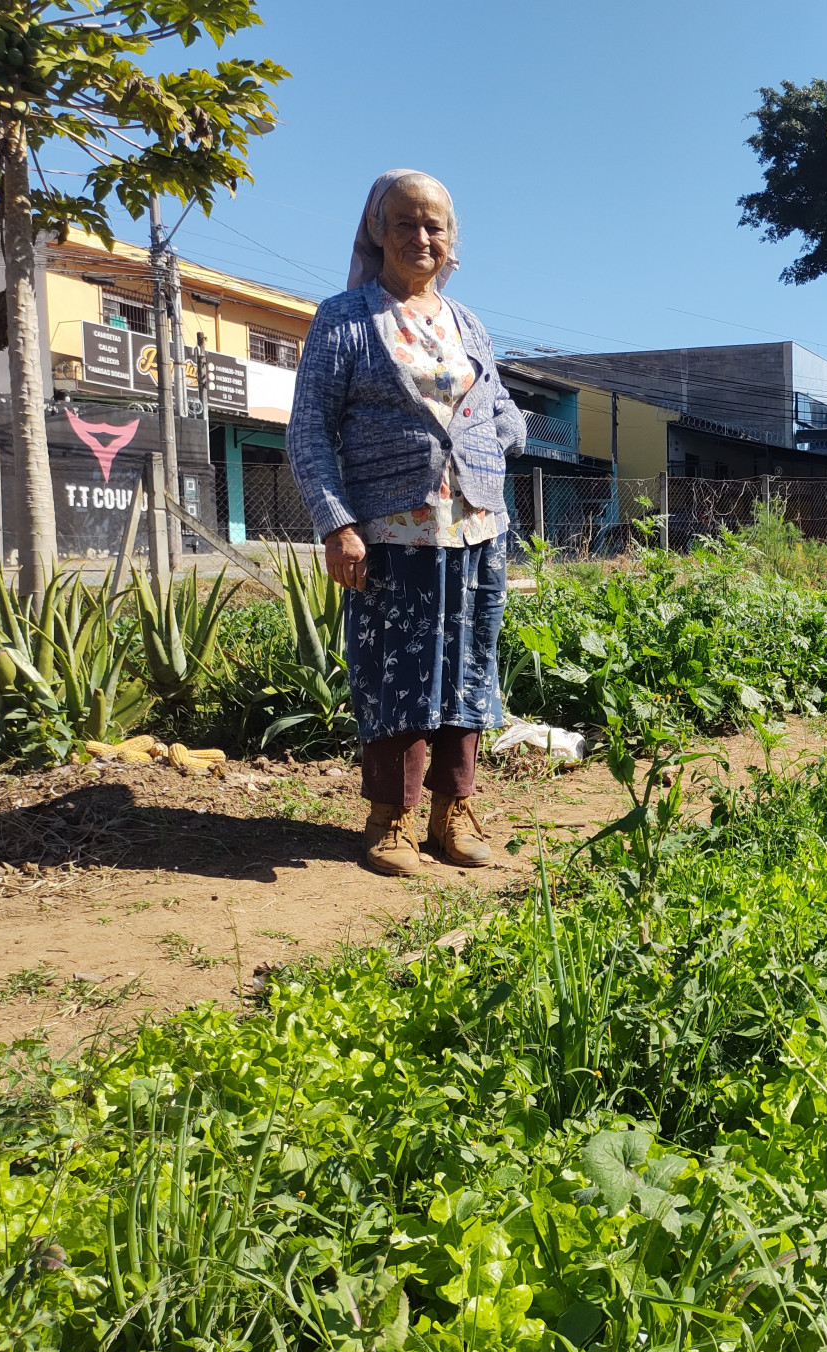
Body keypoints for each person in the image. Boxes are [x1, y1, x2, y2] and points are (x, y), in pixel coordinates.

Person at [288, 169, 526, 876]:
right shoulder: (345, 319)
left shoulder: (467, 322)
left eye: (434, 225)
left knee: (470, 666)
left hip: (476, 524)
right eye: (405, 222)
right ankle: (389, 817)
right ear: (376, 229)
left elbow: (501, 407)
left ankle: (454, 811)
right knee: (396, 671)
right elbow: (309, 430)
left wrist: (491, 441)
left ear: (451, 238)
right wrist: (337, 525)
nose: (421, 237)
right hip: (391, 531)